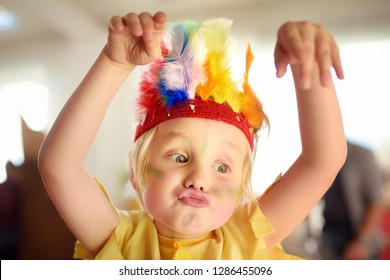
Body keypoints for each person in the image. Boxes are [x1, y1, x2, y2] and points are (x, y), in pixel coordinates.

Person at [38, 11, 346, 260]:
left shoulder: (247, 235)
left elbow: (322, 161)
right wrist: (114, 63)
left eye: (222, 167)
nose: (198, 178)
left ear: (240, 191)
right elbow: (59, 167)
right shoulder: (118, 238)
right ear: (136, 173)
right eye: (180, 157)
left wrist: (310, 65)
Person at [320, 141, 384, 260]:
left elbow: (375, 201)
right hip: (330, 231)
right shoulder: (321, 155)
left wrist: (361, 241)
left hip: (358, 233)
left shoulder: (363, 155)